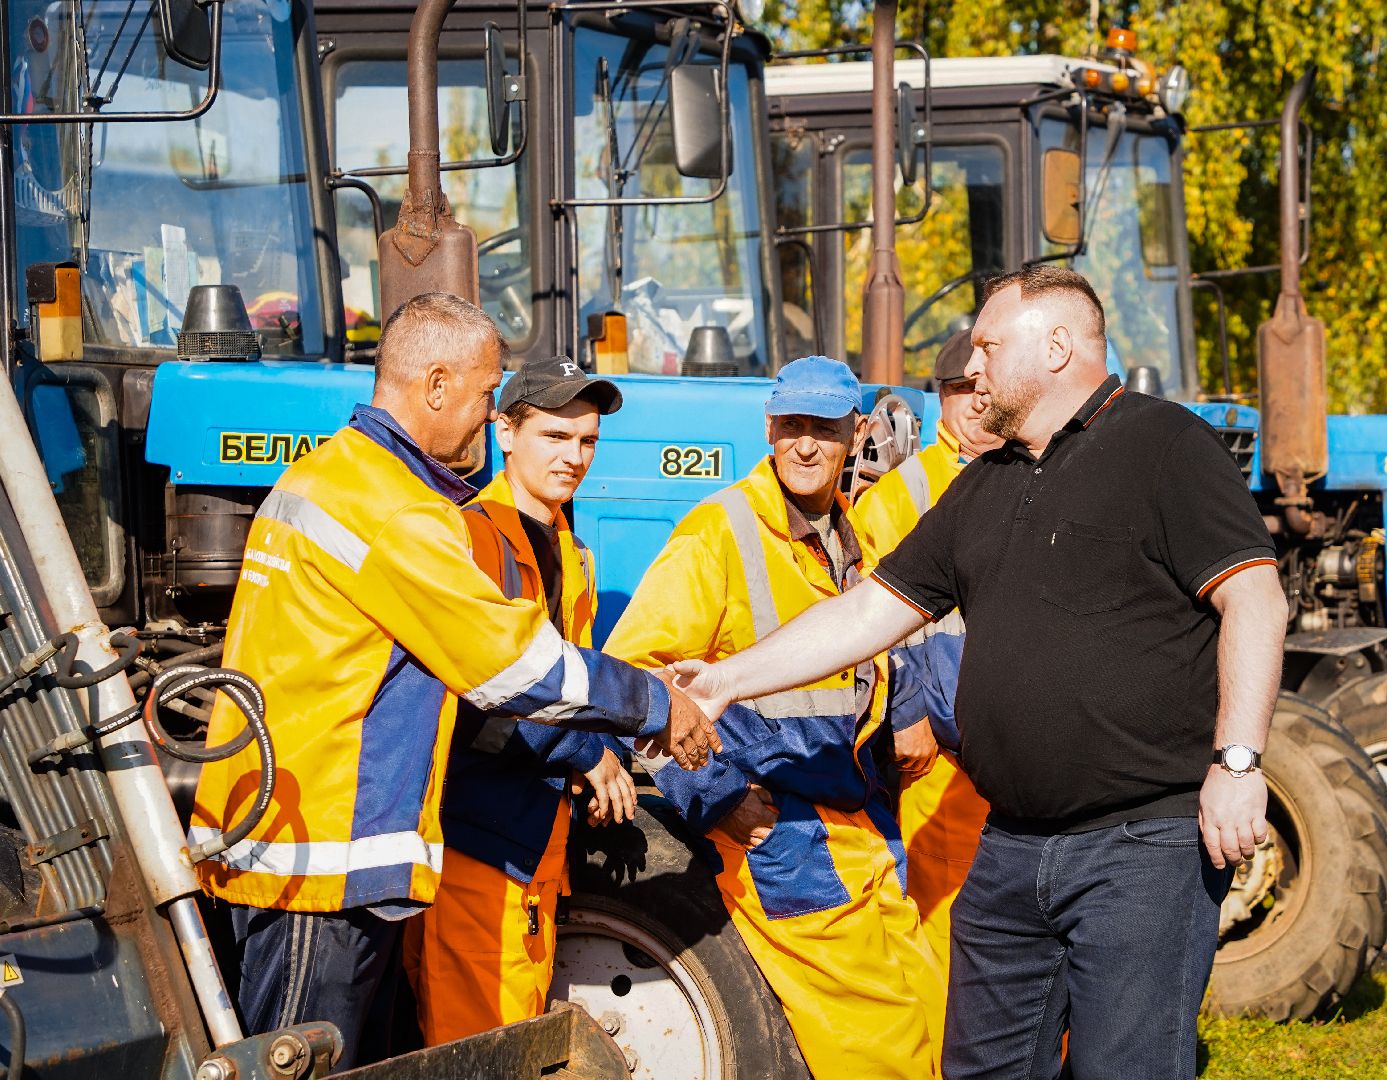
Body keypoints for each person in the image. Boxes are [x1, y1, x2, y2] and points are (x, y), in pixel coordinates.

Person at [670, 266, 1288, 1080]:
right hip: (1010, 848)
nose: (974, 368)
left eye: (991, 347)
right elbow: (869, 613)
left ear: (1059, 346)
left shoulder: (1164, 444)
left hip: (1142, 842)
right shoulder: (986, 484)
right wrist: (724, 681)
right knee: (981, 1068)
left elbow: (1256, 599)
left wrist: (1237, 764)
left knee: (1122, 1067)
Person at [186, 293, 717, 1065]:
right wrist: (652, 703)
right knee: (300, 1063)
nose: (484, 416)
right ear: (435, 386)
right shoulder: (398, 511)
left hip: (299, 832)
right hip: (317, 857)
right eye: (483, 395)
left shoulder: (329, 475)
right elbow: (514, 666)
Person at [603, 356, 947, 1079]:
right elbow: (638, 676)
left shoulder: (853, 535)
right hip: (784, 829)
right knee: (877, 1045)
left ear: (854, 435)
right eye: (791, 426)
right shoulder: (722, 531)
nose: (805, 445)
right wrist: (722, 800)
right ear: (768, 427)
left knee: (925, 1007)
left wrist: (908, 711)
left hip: (861, 824)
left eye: (823, 429)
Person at [406, 355, 634, 1045]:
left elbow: (580, 682)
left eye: (587, 441)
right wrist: (586, 754)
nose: (575, 457)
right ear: (505, 432)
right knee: (474, 1045)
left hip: (532, 842)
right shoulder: (472, 539)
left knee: (515, 1037)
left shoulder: (571, 549)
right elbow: (474, 702)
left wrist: (606, 754)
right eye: (555, 437)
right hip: (476, 841)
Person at [848, 329, 1000, 975]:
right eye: (960, 389)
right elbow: (866, 615)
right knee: (950, 924)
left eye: (983, 388)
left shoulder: (1020, 476)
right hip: (941, 754)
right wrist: (906, 711)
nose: (974, 402)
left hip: (1010, 745)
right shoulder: (902, 496)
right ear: (941, 398)